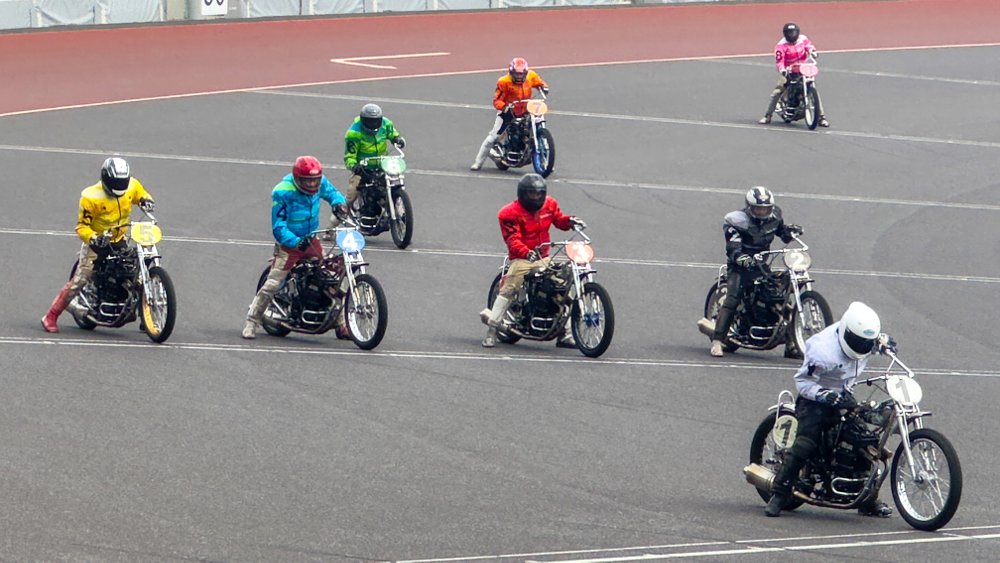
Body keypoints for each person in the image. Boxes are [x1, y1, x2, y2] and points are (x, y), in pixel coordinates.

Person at [765, 301, 897, 518]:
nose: (864, 347)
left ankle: (867, 499)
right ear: (845, 331)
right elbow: (803, 382)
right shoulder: (822, 350)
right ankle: (780, 492)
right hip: (815, 398)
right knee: (807, 442)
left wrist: (886, 344)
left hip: (844, 395)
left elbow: (874, 340)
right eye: (859, 342)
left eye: (867, 343)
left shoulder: (864, 341)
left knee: (864, 440)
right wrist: (824, 395)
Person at [41, 156, 155, 333]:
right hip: (97, 244)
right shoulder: (90, 197)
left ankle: (145, 317)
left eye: (122, 183)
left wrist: (146, 200)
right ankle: (51, 315)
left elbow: (141, 194)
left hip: (119, 240)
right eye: (115, 183)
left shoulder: (132, 185)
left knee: (137, 274)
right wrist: (94, 238)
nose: (119, 187)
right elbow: (81, 227)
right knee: (80, 280)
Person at [243, 156, 348, 339]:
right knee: (273, 283)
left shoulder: (320, 182)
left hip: (311, 239)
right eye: (308, 181)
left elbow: (333, 193)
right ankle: (252, 321)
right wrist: (294, 242)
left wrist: (338, 204)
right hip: (290, 244)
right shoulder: (283, 192)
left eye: (315, 180)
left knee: (332, 277)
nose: (312, 185)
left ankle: (341, 324)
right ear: (297, 178)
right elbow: (278, 226)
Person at [479, 173, 586, 348]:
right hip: (522, 259)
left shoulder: (549, 204)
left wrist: (570, 221)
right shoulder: (508, 213)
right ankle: (492, 330)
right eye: (531, 194)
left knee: (563, 287)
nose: (535, 197)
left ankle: (565, 334)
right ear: (522, 194)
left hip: (544, 257)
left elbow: (559, 220)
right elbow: (512, 239)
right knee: (509, 288)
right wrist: (526, 252)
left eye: (538, 193)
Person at [698, 186, 802, 357]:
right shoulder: (736, 221)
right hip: (740, 267)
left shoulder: (775, 215)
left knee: (782, 297)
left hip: (761, 265)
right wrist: (742, 258)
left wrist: (791, 232)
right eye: (758, 208)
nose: (762, 211)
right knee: (733, 298)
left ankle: (791, 344)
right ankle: (717, 341)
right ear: (749, 207)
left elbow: (782, 234)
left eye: (766, 208)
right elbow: (733, 248)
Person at [327, 103, 404, 236]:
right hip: (363, 167)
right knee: (351, 194)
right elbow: (349, 156)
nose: (373, 124)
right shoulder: (354, 133)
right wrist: (354, 166)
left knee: (392, 186)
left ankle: (402, 224)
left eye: (375, 121)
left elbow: (393, 134)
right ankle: (331, 226)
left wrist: (398, 139)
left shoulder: (386, 124)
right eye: (370, 121)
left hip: (382, 164)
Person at [470, 57, 550, 171]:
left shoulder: (531, 76)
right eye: (516, 74)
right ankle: (478, 162)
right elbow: (497, 100)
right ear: (511, 72)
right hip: (509, 110)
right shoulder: (504, 82)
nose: (519, 77)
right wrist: (504, 107)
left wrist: (544, 87)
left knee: (537, 121)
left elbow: (540, 83)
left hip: (526, 108)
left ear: (525, 73)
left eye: (521, 74)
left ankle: (545, 161)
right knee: (493, 137)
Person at [759, 22, 829, 127]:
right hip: (789, 70)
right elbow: (779, 61)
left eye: (793, 32)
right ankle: (768, 115)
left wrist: (813, 52)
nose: (792, 35)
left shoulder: (803, 39)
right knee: (777, 91)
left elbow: (809, 46)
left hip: (804, 68)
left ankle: (821, 117)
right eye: (789, 33)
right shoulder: (780, 46)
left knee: (814, 89)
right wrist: (783, 70)